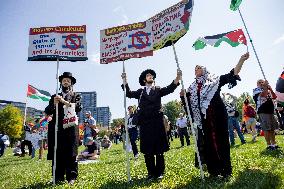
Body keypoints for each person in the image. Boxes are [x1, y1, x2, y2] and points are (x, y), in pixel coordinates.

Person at [180, 53, 250, 178]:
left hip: (218, 115)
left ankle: (226, 170)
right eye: (195, 68)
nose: (197, 69)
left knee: (222, 141)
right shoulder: (191, 87)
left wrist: (241, 60)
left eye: (199, 67)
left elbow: (232, 73)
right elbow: (189, 105)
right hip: (204, 119)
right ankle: (214, 170)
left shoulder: (214, 81)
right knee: (209, 143)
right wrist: (183, 96)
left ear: (205, 69)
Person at [121, 68, 181, 180]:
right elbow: (128, 93)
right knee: (147, 149)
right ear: (144, 80)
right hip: (145, 123)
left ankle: (160, 172)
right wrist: (125, 80)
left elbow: (170, 89)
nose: (150, 76)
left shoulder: (158, 89)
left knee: (159, 149)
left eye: (151, 75)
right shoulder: (140, 92)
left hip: (157, 121)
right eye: (148, 75)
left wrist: (177, 78)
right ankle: (151, 173)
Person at [45, 72, 82, 185]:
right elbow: (47, 111)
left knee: (71, 152)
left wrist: (63, 101)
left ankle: (71, 176)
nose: (66, 82)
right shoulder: (54, 96)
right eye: (64, 80)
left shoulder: (76, 95)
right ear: (61, 82)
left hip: (70, 127)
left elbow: (78, 108)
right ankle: (57, 176)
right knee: (58, 152)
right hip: (57, 127)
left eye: (68, 81)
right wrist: (54, 104)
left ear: (71, 83)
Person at [253, 79, 279, 150]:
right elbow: (263, 95)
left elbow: (274, 97)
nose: (261, 83)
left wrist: (270, 89)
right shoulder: (256, 90)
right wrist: (265, 86)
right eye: (259, 82)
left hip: (270, 111)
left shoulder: (267, 89)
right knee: (266, 129)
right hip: (263, 111)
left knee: (272, 129)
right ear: (257, 84)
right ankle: (269, 145)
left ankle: (274, 144)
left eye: (262, 82)